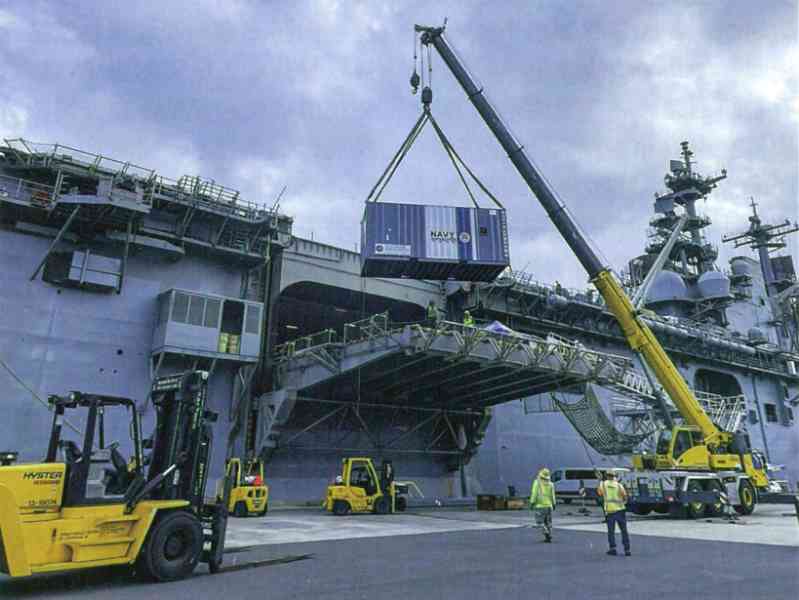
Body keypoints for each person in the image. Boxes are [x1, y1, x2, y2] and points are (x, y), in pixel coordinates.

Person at [597, 471, 630, 556]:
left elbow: (599, 493)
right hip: (621, 510)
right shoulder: (619, 485)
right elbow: (625, 496)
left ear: (607, 476)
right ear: (614, 476)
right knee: (624, 531)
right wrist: (623, 503)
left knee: (611, 531)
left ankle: (613, 549)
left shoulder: (603, 484)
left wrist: (600, 481)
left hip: (610, 511)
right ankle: (627, 550)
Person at [529, 468, 556, 542]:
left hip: (540, 506)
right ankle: (548, 536)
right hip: (549, 506)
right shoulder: (551, 484)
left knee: (539, 522)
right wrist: (554, 504)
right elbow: (552, 495)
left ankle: (546, 532)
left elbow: (534, 494)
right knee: (548, 522)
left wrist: (532, 503)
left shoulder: (537, 483)